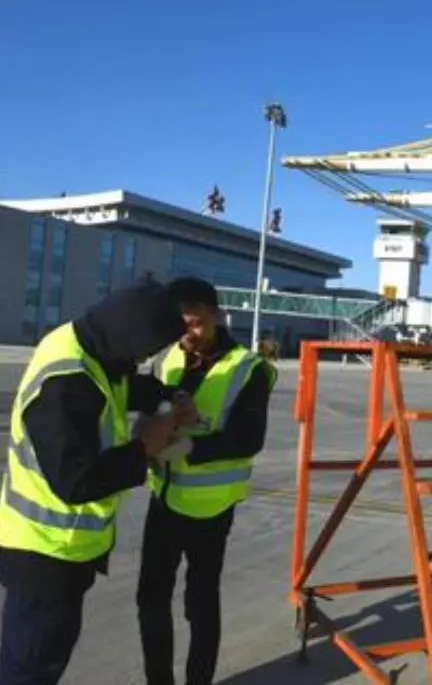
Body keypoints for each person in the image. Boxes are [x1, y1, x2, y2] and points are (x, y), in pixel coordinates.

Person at [0, 281, 195, 685]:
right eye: (143, 350)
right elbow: (76, 482)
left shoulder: (91, 345)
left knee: (39, 657)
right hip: (45, 552)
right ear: (129, 334)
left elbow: (123, 386)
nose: (141, 359)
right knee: (31, 666)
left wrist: (169, 394)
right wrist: (145, 448)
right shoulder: (66, 383)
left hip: (67, 550)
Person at [136, 276, 276, 685]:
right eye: (181, 325)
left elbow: (249, 439)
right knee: (151, 598)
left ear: (217, 316)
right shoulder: (165, 360)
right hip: (163, 498)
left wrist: (188, 450)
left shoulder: (249, 369)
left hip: (212, 507)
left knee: (199, 602)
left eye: (196, 323)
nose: (188, 334)